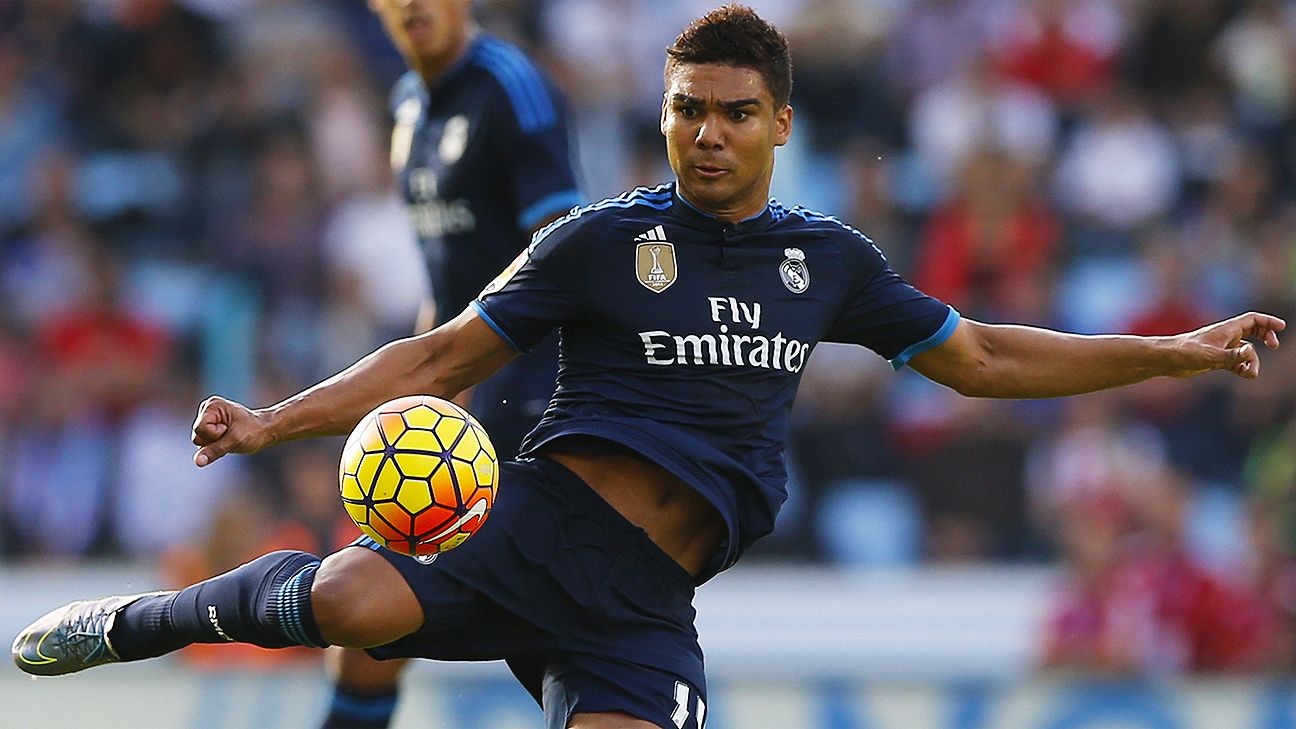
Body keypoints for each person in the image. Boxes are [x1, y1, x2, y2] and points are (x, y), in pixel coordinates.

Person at [12, 6, 1285, 729]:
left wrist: (1169, 352)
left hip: (640, 607)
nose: (707, 133)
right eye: (687, 108)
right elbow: (441, 353)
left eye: (734, 112)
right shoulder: (598, 241)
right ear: (663, 113)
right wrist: (270, 423)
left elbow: (989, 354)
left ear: (782, 121)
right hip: (535, 523)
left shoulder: (827, 261)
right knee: (350, 606)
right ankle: (127, 625)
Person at [329, 0, 584, 727]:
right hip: (462, 416)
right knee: (363, 622)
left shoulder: (513, 86)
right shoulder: (408, 107)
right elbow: (446, 299)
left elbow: (562, 254)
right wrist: (418, 403)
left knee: (564, 639)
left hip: (543, 403)